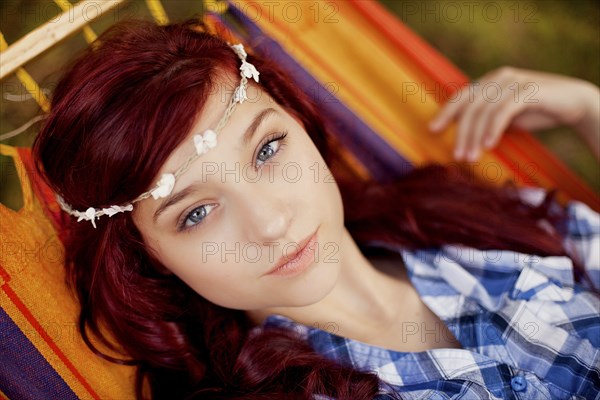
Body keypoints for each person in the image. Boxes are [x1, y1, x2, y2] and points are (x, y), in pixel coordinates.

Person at [32, 19, 599, 400]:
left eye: (267, 149)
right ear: (149, 258)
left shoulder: (467, 219)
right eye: (196, 214)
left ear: (300, 120)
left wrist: (587, 109)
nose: (271, 223)